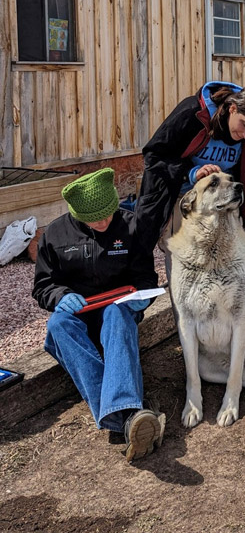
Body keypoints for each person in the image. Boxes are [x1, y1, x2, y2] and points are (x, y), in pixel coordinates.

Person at [32, 168, 165, 462]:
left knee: (116, 315)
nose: (104, 222)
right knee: (57, 324)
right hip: (78, 315)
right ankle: (130, 417)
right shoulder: (53, 234)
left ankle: (124, 418)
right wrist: (60, 296)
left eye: (109, 213)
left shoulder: (131, 226)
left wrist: (138, 300)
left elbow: (146, 278)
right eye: (95, 218)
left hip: (118, 311)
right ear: (76, 213)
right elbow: (43, 285)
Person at [134, 83, 245, 258]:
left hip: (223, 202)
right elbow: (154, 154)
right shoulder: (192, 112)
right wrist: (192, 172)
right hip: (183, 198)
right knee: (185, 263)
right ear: (232, 108)